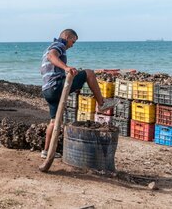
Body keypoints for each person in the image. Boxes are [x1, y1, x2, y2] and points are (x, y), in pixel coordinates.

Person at [40, 29, 117, 159]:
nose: (72, 45)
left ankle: (46, 151)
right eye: (73, 41)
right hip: (55, 86)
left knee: (54, 121)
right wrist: (66, 68)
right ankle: (102, 104)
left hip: (47, 90)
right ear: (66, 37)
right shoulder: (59, 45)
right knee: (89, 73)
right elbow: (51, 56)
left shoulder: (50, 46)